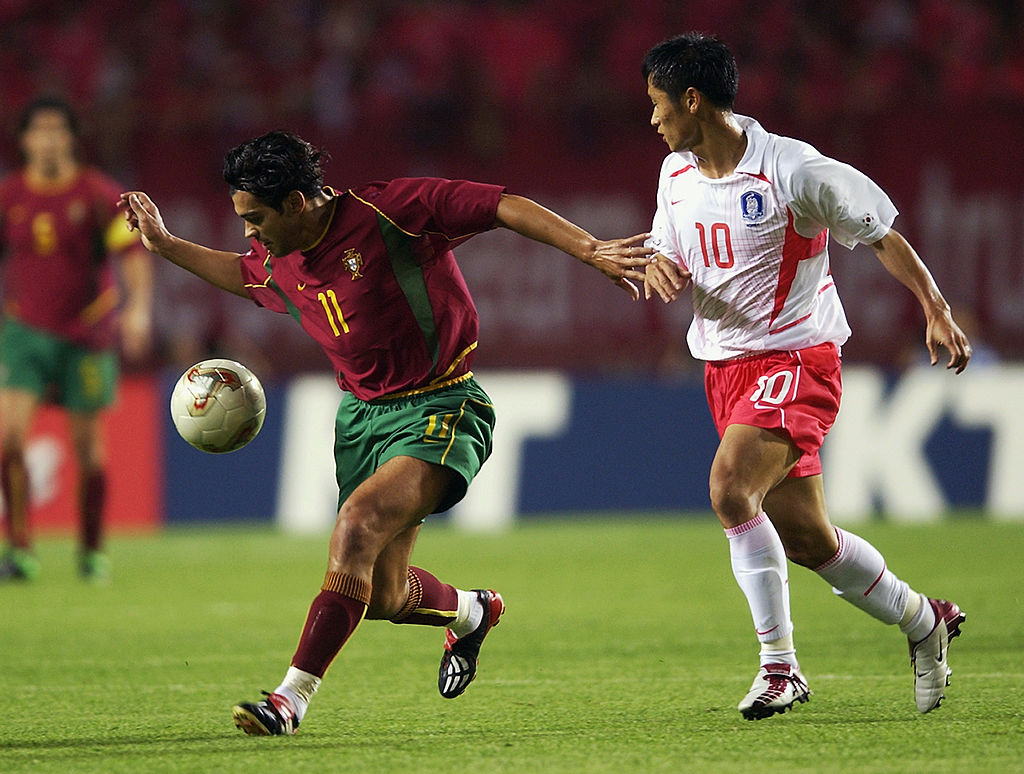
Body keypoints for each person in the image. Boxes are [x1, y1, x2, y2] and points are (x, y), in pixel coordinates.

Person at [120, 130, 655, 736]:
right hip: (360, 421)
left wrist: (590, 251)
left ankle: (289, 700)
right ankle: (474, 611)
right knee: (383, 597)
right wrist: (163, 245)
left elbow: (501, 204)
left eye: (255, 218)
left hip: (441, 405)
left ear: (296, 203)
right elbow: (245, 276)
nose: (249, 232)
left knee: (356, 527)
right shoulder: (280, 256)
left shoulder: (391, 211)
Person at [639, 34, 971, 719]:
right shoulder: (676, 175)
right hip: (725, 370)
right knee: (811, 541)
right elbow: (663, 249)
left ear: (692, 100)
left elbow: (881, 232)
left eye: (657, 103)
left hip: (797, 358)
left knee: (730, 489)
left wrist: (934, 309)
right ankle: (922, 622)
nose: (653, 119)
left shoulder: (793, 169)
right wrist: (656, 267)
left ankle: (780, 667)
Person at [0, 96, 153, 583]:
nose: (47, 139)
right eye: (38, 130)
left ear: (70, 138)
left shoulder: (94, 193)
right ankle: (20, 549)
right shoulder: (9, 197)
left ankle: (91, 551)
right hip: (24, 332)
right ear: (24, 140)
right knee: (9, 441)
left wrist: (138, 309)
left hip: (86, 335)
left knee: (88, 452)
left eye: (56, 129)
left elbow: (131, 253)